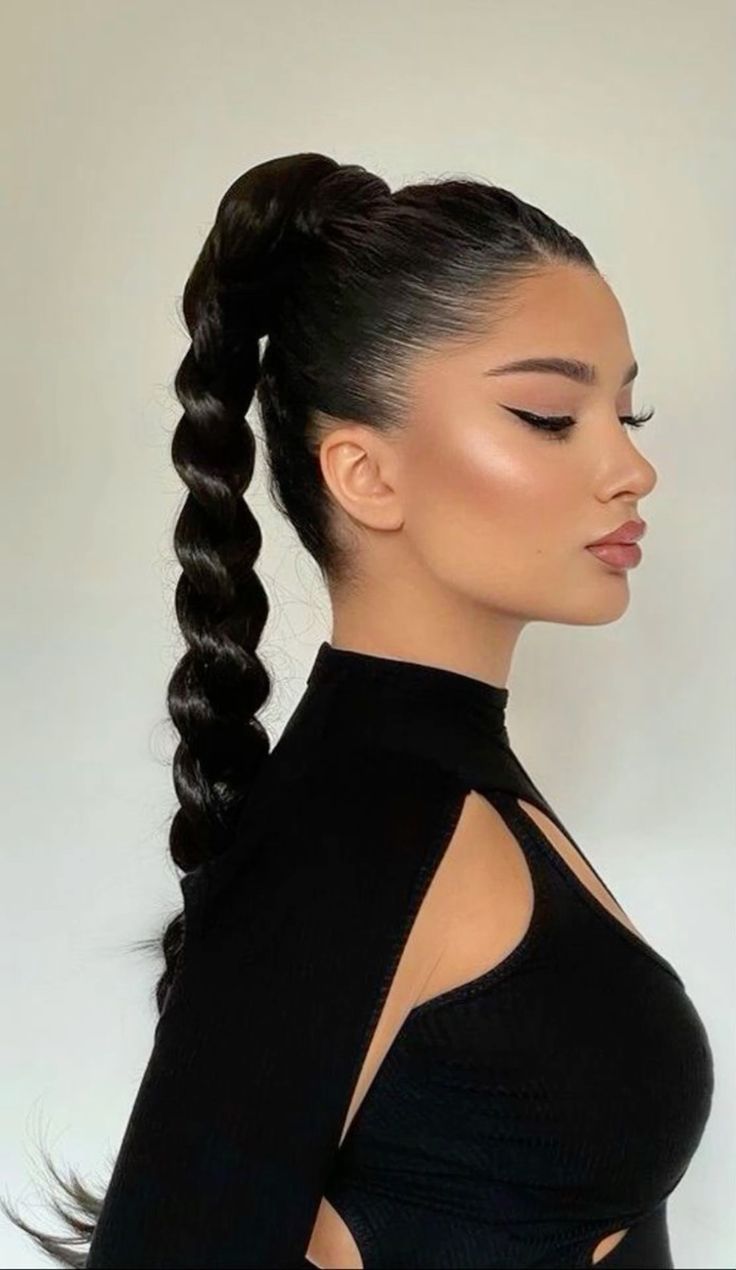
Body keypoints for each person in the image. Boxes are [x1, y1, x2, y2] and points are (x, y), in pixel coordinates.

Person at [4, 153, 714, 1269]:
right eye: (549, 415)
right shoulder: (364, 824)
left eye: (628, 412)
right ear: (364, 475)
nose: (632, 468)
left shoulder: (436, 791)